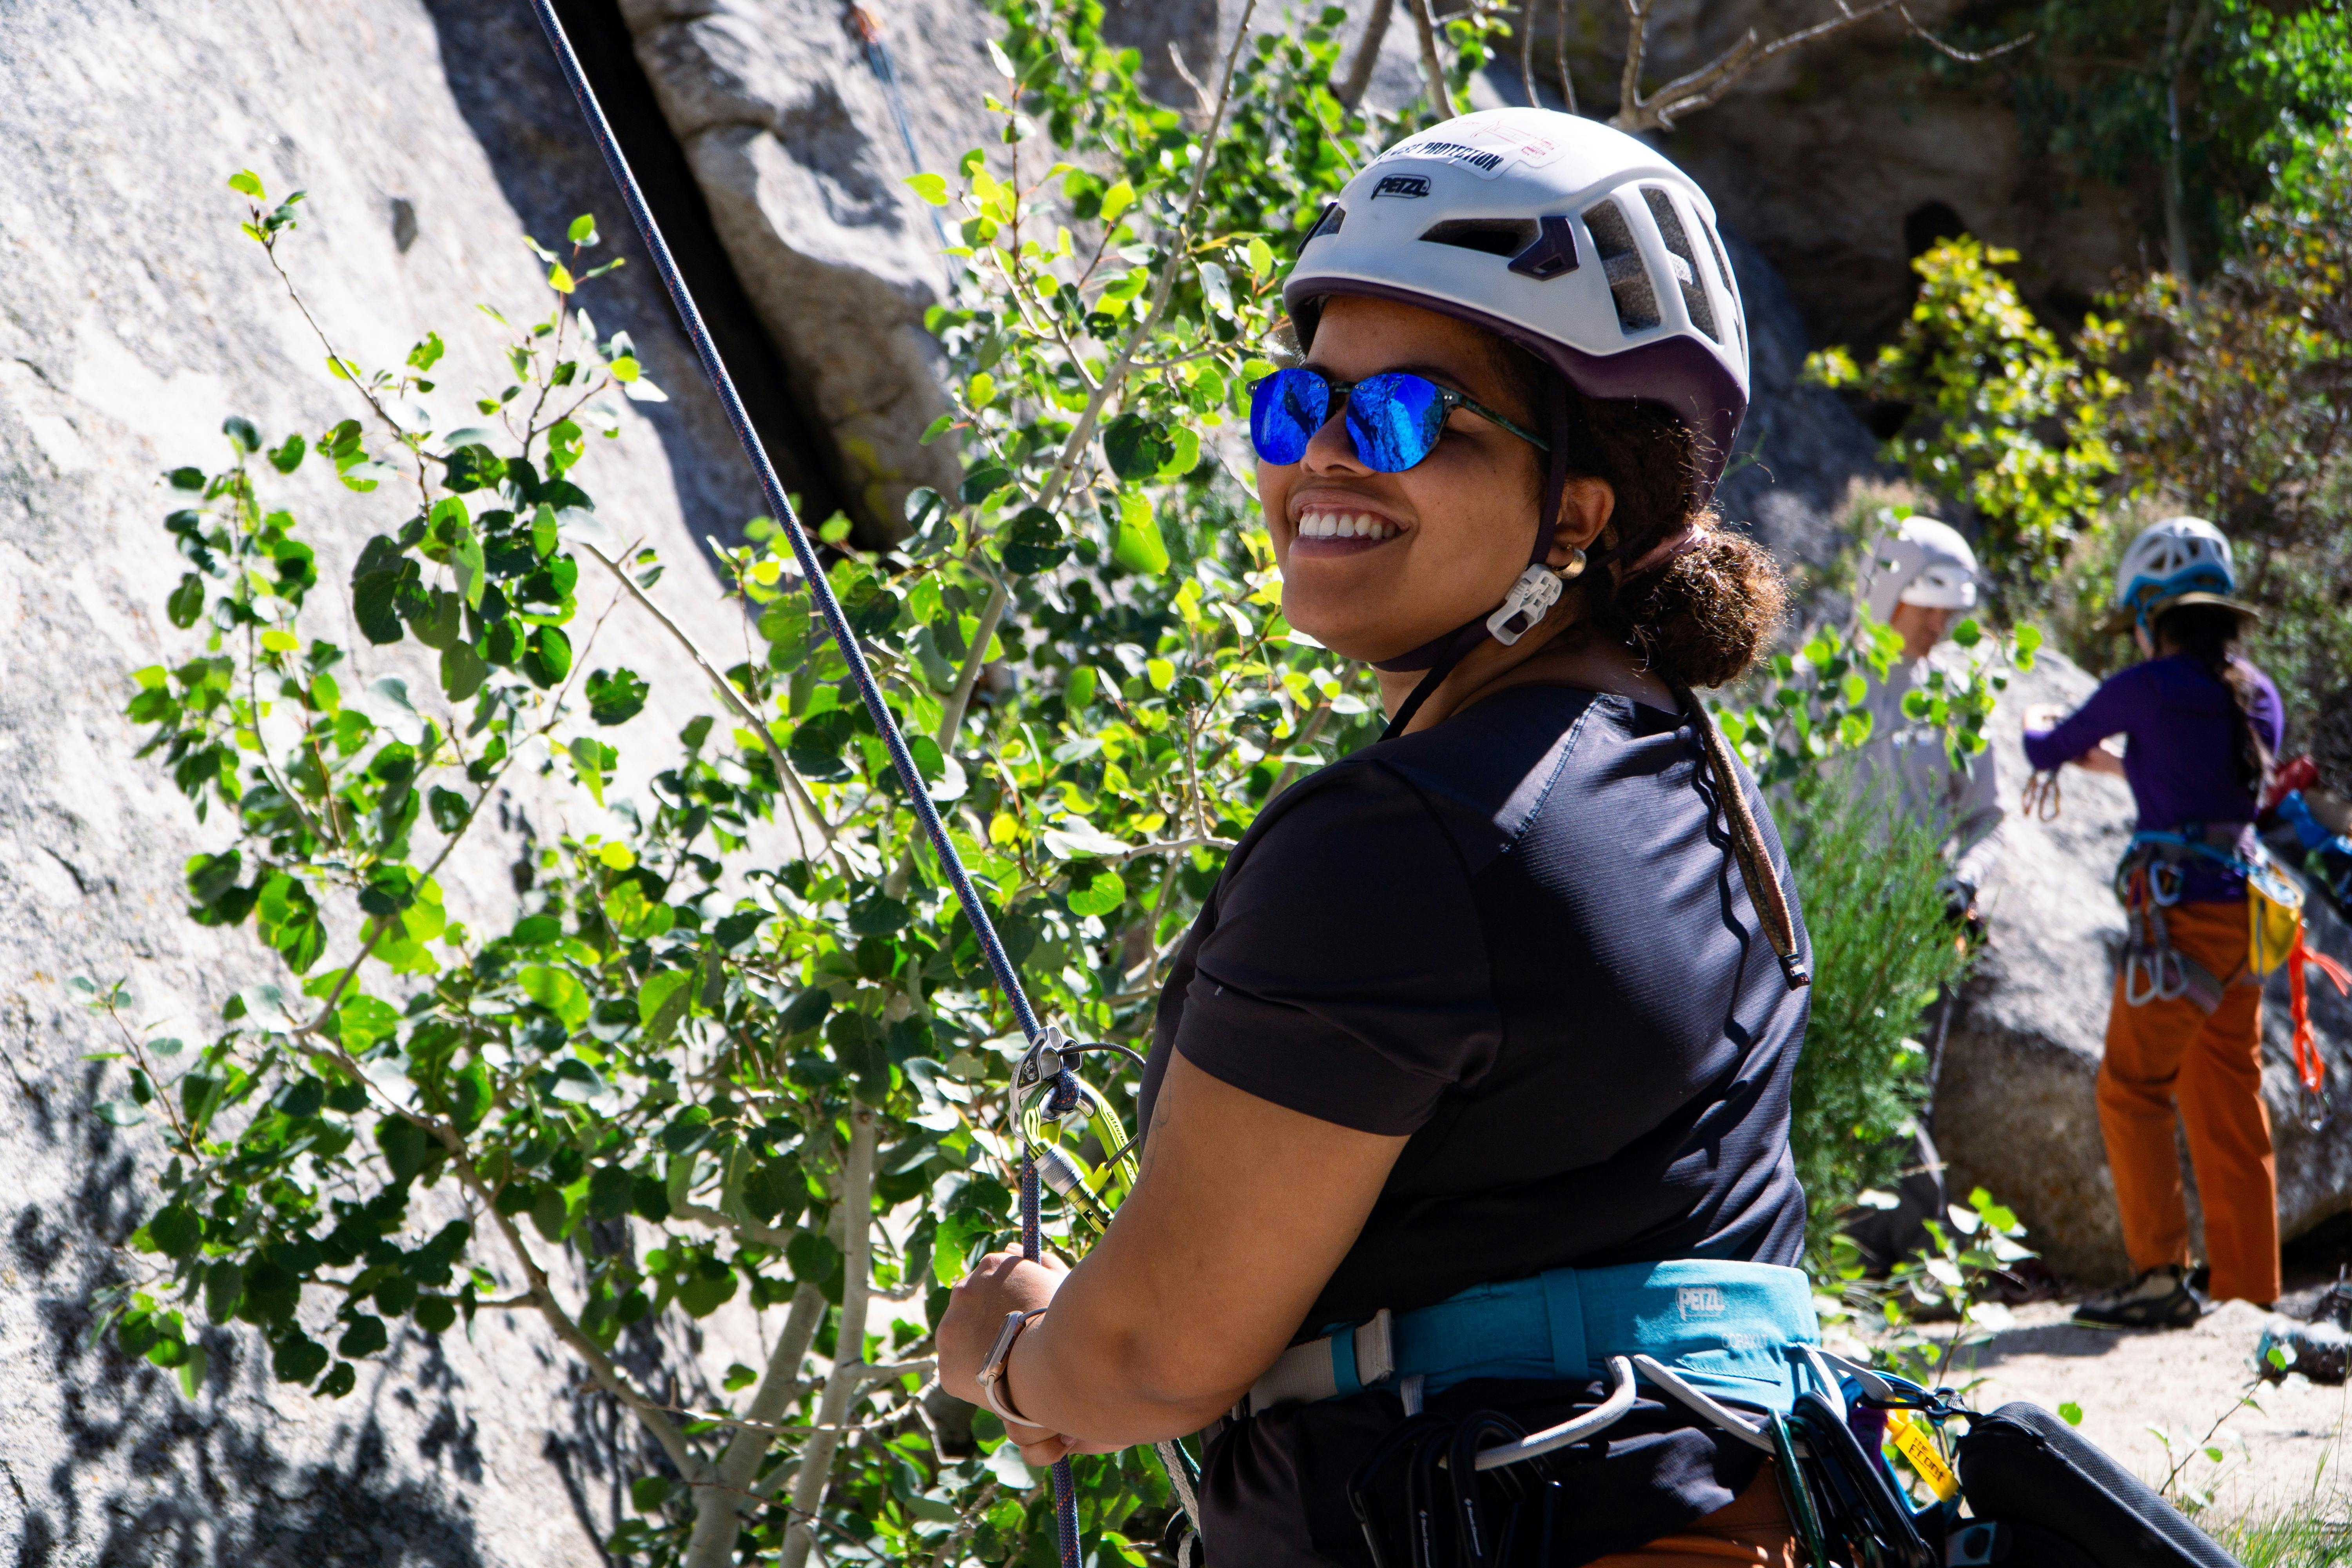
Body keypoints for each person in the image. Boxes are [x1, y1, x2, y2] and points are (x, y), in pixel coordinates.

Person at [938, 109, 1823, 1566]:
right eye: (1297, 406)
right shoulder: (1683, 767)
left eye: (1407, 415)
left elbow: (1156, 1354)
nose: (1324, 459)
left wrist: (1012, 1351)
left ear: (1576, 509)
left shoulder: (1405, 843)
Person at [2023, 517, 2284, 1328]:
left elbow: (2047, 746)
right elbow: (2188, 776)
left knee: (2132, 1087)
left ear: (2150, 613)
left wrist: (2039, 723)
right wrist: (2124, 761)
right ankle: (2251, 1293)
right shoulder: (2258, 694)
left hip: (2179, 922)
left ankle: (2159, 1274)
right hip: (2247, 918)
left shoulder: (2149, 686)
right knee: (2227, 1094)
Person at [1850, 514, 2003, 918]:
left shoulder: (1954, 698)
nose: (1941, 624)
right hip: (1822, 918)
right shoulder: (1815, 688)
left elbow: (1987, 817)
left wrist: (1965, 879)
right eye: (1929, 608)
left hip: (1914, 922)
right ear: (1889, 592)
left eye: (1948, 611)